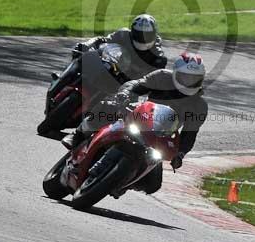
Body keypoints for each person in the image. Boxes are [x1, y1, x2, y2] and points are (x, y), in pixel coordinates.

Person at [62, 52, 209, 174]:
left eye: (194, 79)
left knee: (153, 184)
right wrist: (126, 94)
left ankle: (123, 182)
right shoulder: (161, 77)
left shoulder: (199, 105)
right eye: (186, 77)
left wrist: (180, 154)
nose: (189, 82)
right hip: (141, 116)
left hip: (161, 134)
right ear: (176, 73)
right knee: (108, 107)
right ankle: (77, 135)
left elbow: (190, 133)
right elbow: (137, 85)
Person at [73, 14, 167, 78]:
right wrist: (87, 45)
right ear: (132, 32)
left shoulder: (158, 55)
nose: (142, 38)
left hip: (129, 86)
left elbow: (156, 79)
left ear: (154, 34)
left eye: (147, 35)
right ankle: (62, 79)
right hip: (113, 67)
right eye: (139, 34)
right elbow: (103, 40)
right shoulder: (123, 34)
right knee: (80, 65)